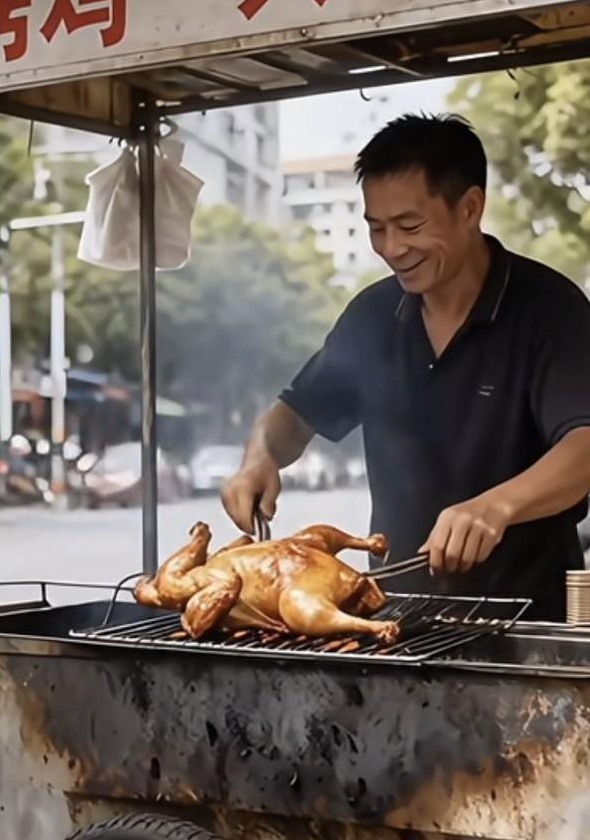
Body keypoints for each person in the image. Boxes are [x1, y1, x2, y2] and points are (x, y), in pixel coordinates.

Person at [222, 113, 590, 622]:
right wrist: (258, 458)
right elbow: (295, 415)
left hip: (527, 619)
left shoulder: (549, 309)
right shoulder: (373, 316)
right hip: (396, 618)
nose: (392, 249)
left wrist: (494, 507)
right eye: (376, 228)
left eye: (410, 226)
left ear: (470, 208)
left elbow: (583, 447)